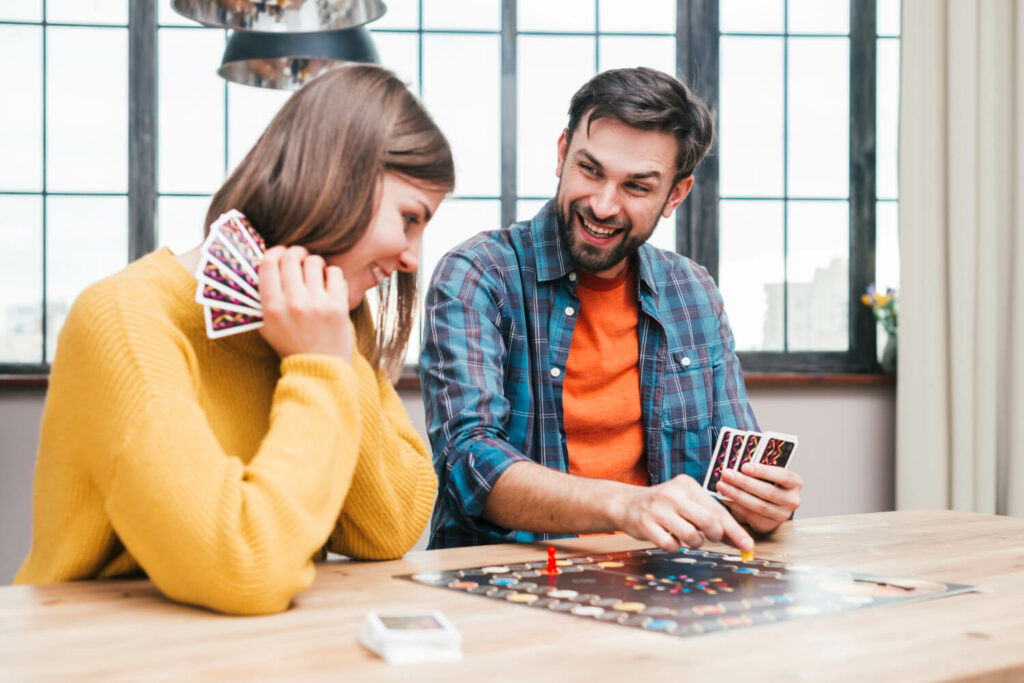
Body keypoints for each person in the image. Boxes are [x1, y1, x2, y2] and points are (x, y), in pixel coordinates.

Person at [15, 64, 455, 615]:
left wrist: (331, 355)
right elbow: (243, 566)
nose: (414, 257)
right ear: (337, 181)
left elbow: (389, 527)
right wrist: (318, 366)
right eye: (409, 218)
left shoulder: (325, 323)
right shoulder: (124, 320)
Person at [420, 67, 802, 552]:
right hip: (509, 593)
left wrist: (762, 504)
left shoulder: (694, 291)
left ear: (675, 195)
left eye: (637, 187)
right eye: (590, 170)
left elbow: (732, 478)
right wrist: (624, 505)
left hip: (665, 588)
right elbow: (468, 464)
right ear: (562, 154)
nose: (603, 205)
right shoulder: (477, 275)